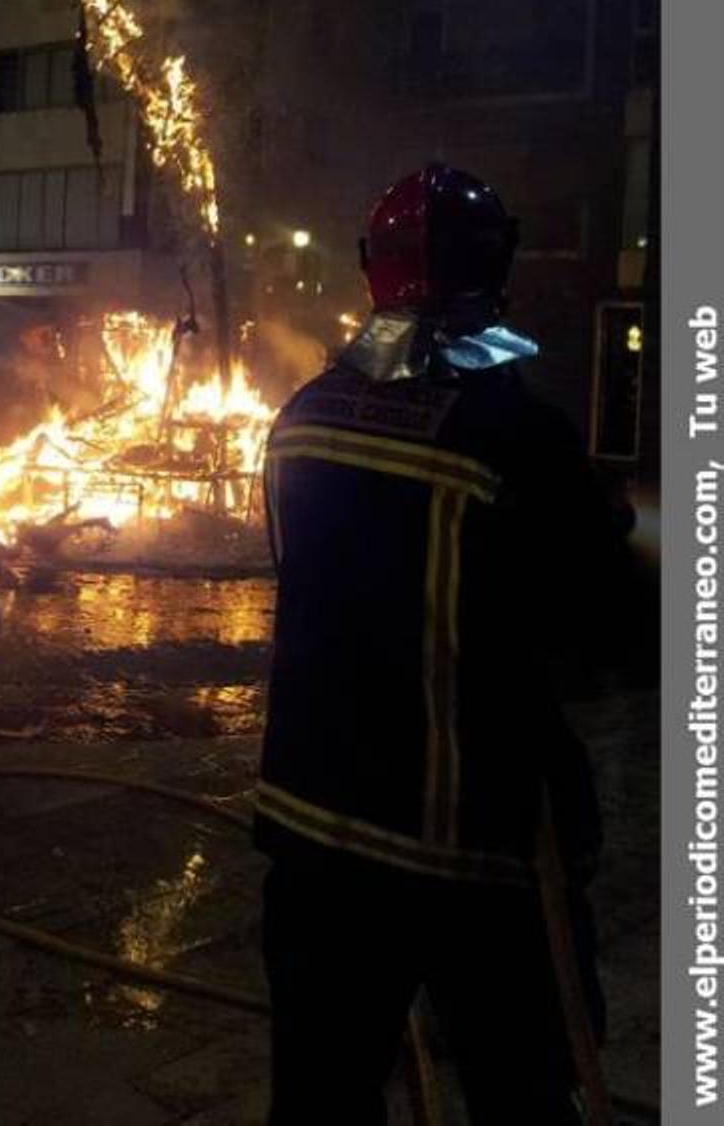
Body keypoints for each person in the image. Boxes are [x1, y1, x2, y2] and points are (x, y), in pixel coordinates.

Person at [255, 165, 632, 1125]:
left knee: (321, 1092)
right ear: (493, 267)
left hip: (310, 830)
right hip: (465, 847)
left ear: (371, 272)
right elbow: (595, 632)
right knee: (521, 1084)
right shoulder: (516, 436)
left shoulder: (296, 423)